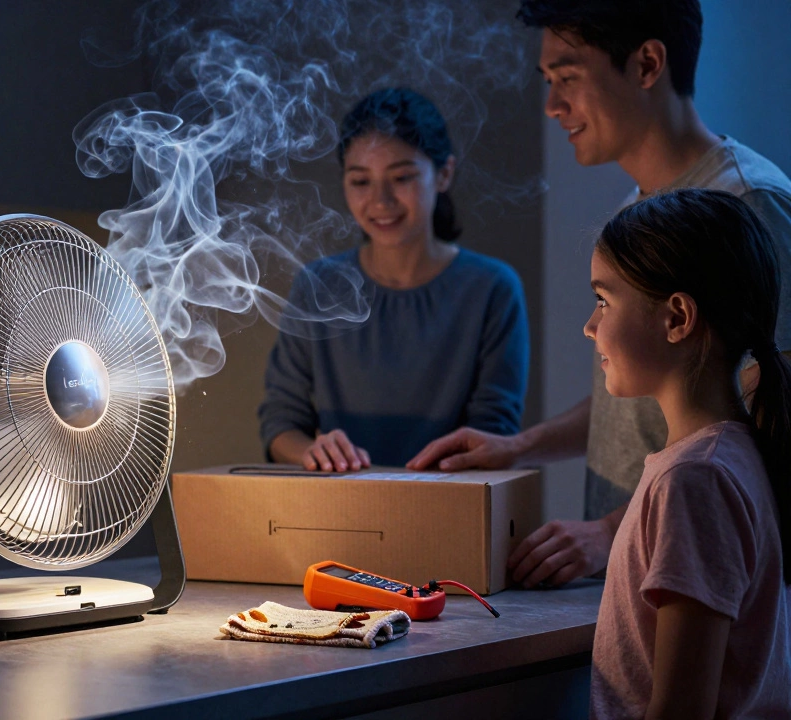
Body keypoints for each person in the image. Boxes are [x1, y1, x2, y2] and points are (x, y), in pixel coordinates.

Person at [408, 0, 791, 588]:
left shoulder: (746, 205)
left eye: (567, 77)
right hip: (643, 565)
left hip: (692, 572)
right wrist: (520, 446)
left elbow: (773, 412)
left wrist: (614, 529)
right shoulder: (642, 213)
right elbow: (643, 389)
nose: (553, 105)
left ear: (646, 64)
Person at [582, 188, 790, 718]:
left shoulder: (696, 480)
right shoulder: (728, 459)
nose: (589, 326)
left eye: (604, 301)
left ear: (677, 317)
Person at [259, 87, 529, 470]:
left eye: (401, 177)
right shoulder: (317, 285)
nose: (381, 201)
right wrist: (313, 452)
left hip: (448, 506)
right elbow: (281, 422)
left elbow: (492, 432)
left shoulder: (491, 289)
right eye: (360, 181)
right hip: (335, 509)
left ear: (444, 174)